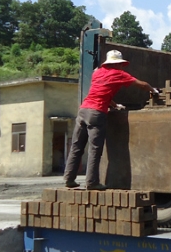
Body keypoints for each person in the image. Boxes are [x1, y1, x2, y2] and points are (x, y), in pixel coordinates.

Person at [63, 49, 157, 190]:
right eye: (120, 64)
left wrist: (115, 105)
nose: (121, 66)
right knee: (95, 149)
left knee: (76, 147)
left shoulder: (97, 73)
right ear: (117, 64)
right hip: (96, 113)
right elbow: (142, 84)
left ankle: (69, 179)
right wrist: (153, 90)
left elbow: (101, 92)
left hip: (83, 110)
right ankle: (92, 182)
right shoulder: (119, 74)